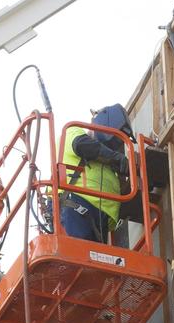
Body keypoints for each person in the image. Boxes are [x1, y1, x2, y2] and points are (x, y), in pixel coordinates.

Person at [57, 104, 133, 242]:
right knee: (79, 256)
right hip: (73, 206)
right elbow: (81, 145)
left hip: (99, 222)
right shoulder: (72, 131)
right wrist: (114, 158)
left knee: (89, 260)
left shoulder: (108, 166)